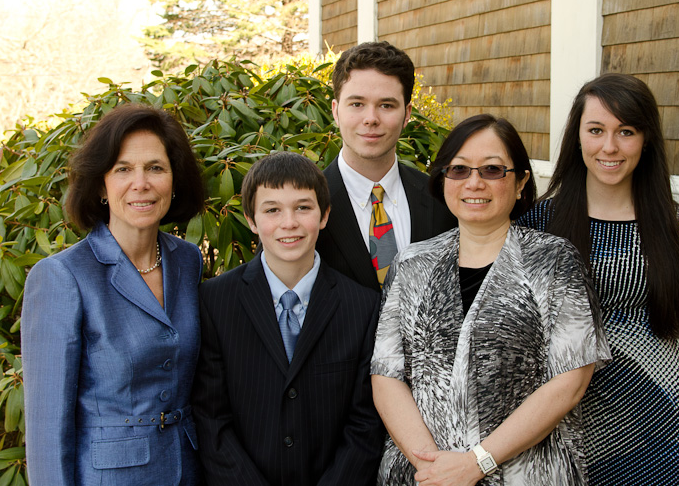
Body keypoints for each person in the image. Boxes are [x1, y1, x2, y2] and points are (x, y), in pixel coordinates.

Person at [371, 114, 610, 485]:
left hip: (526, 474)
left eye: (492, 170)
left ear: (521, 182)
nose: (474, 183)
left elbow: (571, 380)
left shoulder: (553, 261)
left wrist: (475, 464)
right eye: (459, 169)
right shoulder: (412, 263)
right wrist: (433, 469)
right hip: (422, 475)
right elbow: (386, 375)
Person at [518, 73, 679, 486]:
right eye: (596, 130)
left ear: (646, 140)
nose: (609, 147)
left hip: (665, 432)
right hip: (563, 432)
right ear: (577, 137)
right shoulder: (538, 223)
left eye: (626, 131)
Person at [22, 103, 206, 485]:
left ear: (175, 180)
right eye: (123, 169)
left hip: (188, 470)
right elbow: (46, 430)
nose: (141, 183)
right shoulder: (61, 276)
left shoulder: (188, 260)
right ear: (101, 184)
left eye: (155, 168)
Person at [192, 151, 384, 485]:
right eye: (272, 210)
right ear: (251, 220)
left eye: (303, 208)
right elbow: (211, 416)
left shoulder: (362, 306)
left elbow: (365, 421)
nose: (289, 223)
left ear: (324, 215)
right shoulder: (215, 300)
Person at [317, 41, 456, 291]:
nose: (371, 119)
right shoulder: (307, 203)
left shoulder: (441, 198)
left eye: (386, 105)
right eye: (357, 104)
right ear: (336, 111)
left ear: (407, 114)